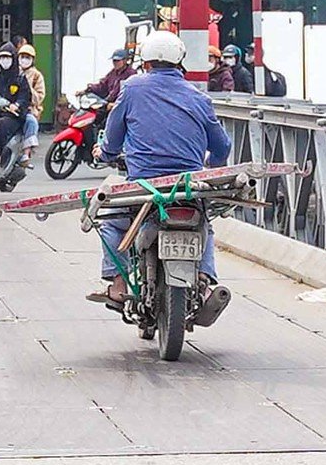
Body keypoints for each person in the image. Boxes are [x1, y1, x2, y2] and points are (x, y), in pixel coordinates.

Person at [90, 30, 232, 319]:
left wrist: (103, 154)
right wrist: (212, 166)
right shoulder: (198, 96)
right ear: (180, 62)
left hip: (144, 185)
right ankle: (204, 282)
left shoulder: (132, 88)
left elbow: (114, 137)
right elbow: (222, 146)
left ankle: (118, 285)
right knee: (203, 224)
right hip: (189, 186)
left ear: (146, 62)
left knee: (114, 224)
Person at [16, 40, 48, 156]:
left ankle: (26, 152)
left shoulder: (36, 76)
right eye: (22, 57)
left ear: (32, 60)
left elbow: (39, 97)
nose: (24, 60)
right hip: (11, 107)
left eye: (27, 57)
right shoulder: (13, 72)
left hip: (28, 109)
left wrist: (28, 87)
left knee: (31, 122)